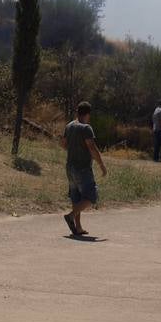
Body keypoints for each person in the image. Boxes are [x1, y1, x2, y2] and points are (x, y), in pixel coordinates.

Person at [61, 101, 106, 237]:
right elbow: (92, 147)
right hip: (82, 168)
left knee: (76, 198)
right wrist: (101, 164)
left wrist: (74, 149)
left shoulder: (69, 126)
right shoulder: (86, 128)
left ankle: (78, 227)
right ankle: (71, 216)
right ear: (88, 114)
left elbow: (63, 144)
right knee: (92, 196)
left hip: (70, 167)